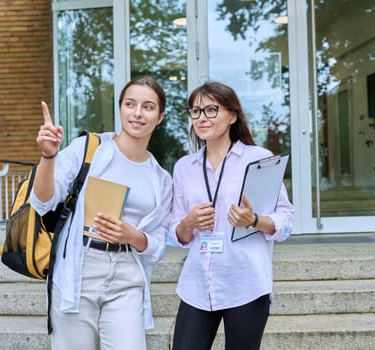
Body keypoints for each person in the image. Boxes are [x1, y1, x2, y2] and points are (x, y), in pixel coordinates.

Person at [30, 76, 173, 350]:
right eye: (130, 104)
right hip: (78, 266)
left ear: (160, 116)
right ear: (120, 108)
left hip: (127, 274)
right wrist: (48, 157)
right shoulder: (88, 149)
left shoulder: (161, 179)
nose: (137, 113)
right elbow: (43, 201)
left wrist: (133, 236)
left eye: (148, 107)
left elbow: (158, 245)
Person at [168, 81, 294, 350]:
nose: (201, 118)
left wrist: (255, 221)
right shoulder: (183, 168)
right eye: (195, 111)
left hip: (246, 282)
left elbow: (285, 218)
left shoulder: (258, 158)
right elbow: (175, 232)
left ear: (233, 115)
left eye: (211, 110)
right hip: (197, 284)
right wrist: (187, 223)